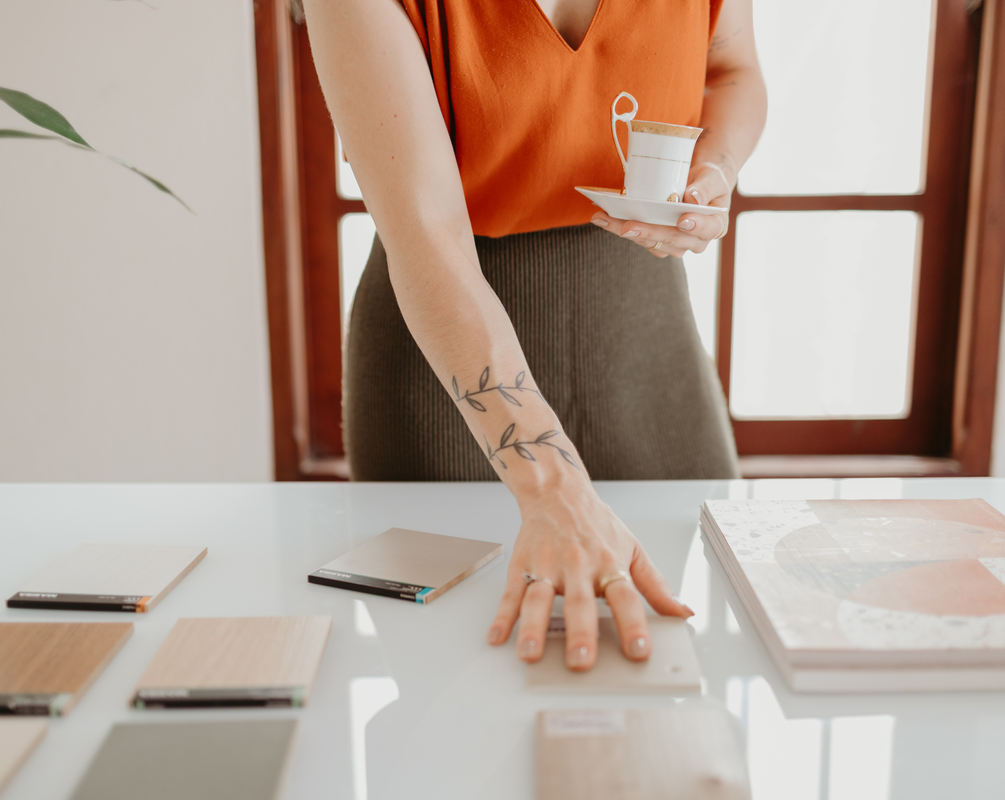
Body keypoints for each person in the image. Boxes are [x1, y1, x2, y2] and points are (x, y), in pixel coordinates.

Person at [304, 0, 766, 671]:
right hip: (445, 364)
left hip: (649, 339)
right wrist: (553, 489)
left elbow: (732, 72)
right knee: (455, 686)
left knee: (691, 667)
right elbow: (427, 233)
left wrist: (713, 174)